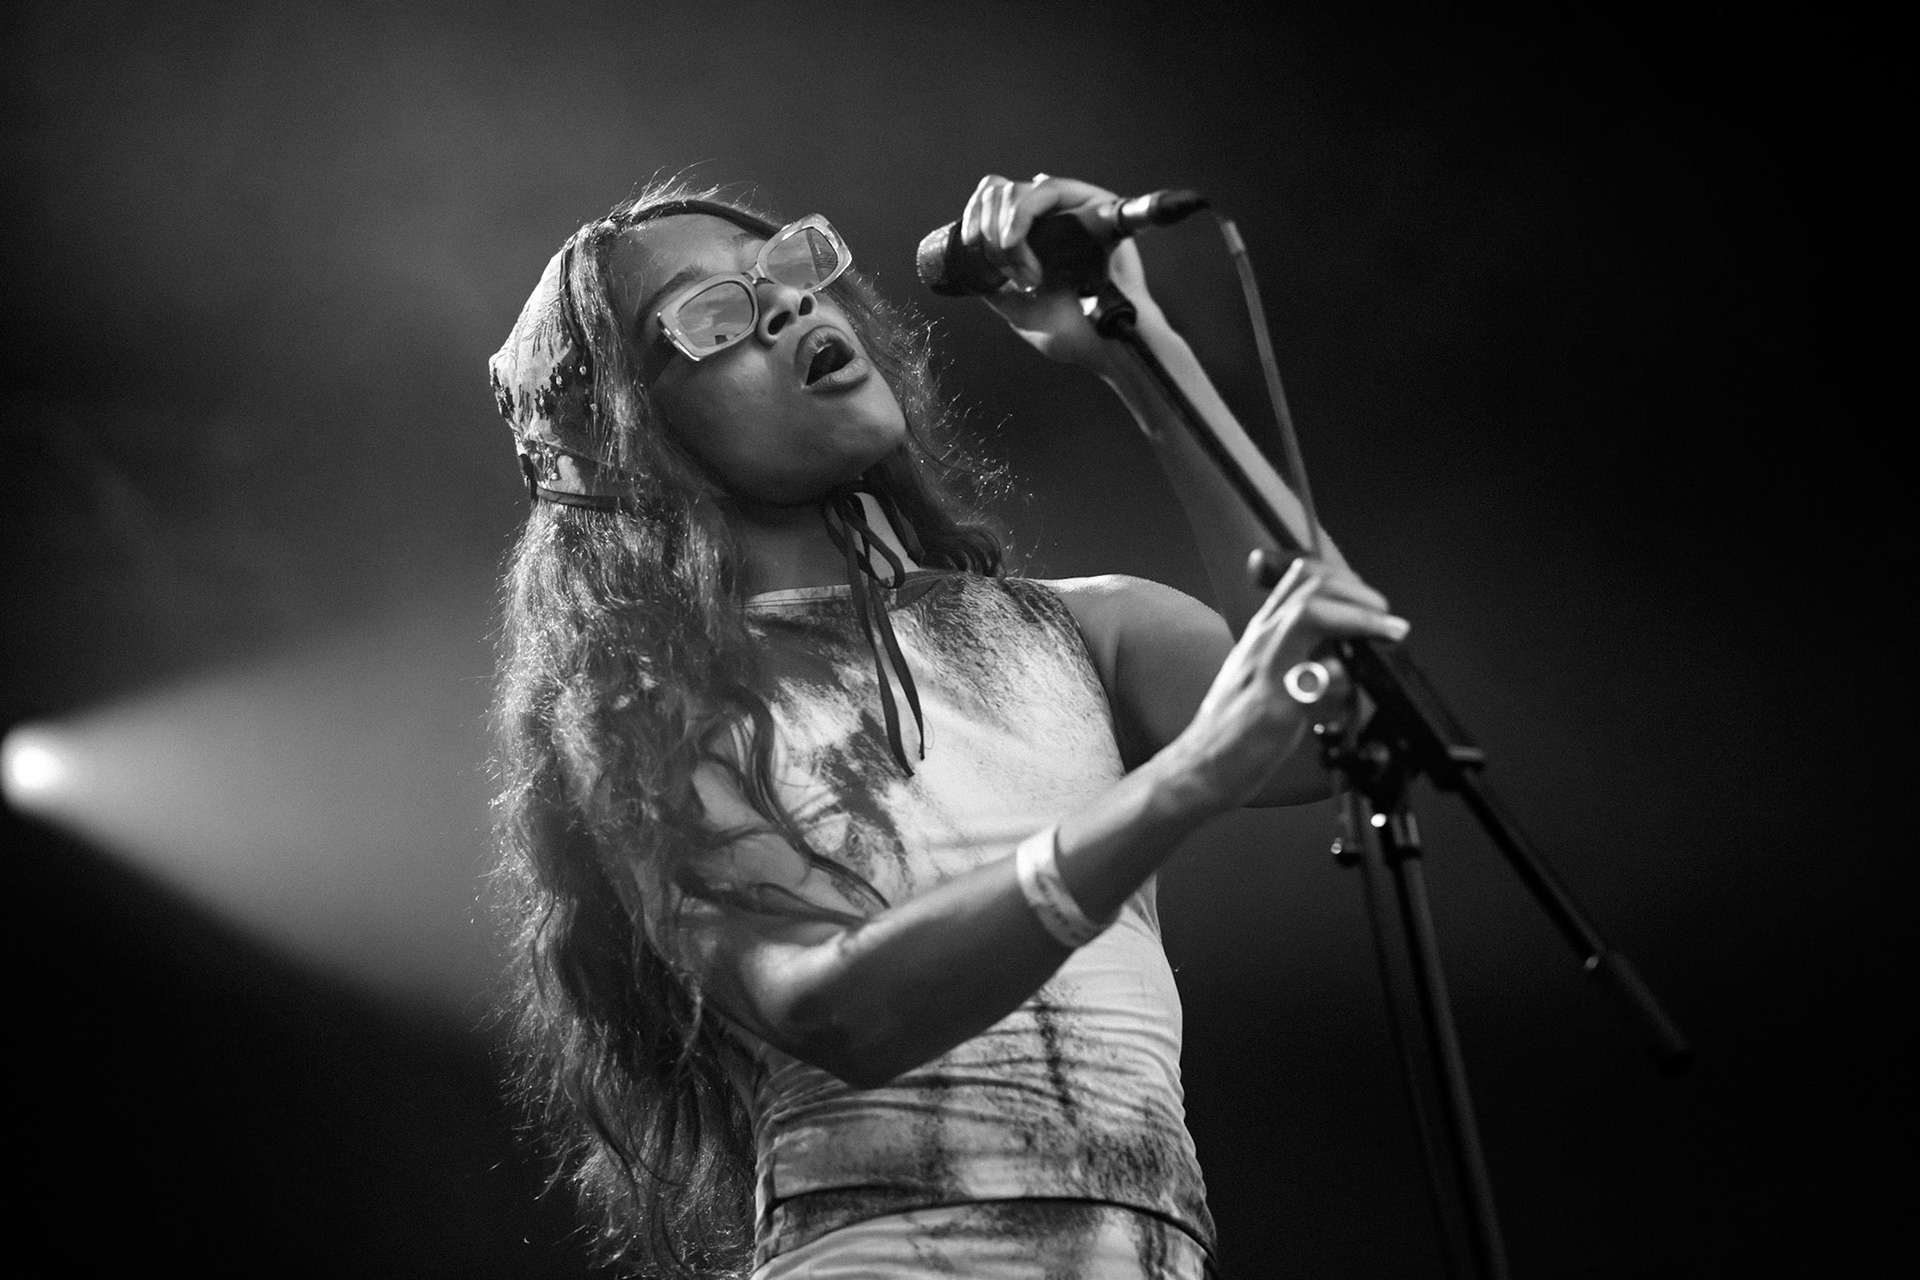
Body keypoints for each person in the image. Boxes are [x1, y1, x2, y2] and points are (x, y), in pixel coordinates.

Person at [487, 172, 1407, 1279]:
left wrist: (1136, 348)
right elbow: (837, 1012)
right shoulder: (646, 705)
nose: (786, 307)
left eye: (788, 267)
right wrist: (1184, 782)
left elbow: (1340, 712)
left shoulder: (1083, 628)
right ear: (626, 438)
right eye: (710, 318)